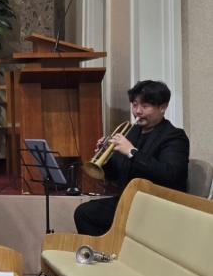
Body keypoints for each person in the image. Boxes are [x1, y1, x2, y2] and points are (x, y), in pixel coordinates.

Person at [74, 80, 189, 237]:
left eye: (145, 106)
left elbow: (170, 174)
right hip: (129, 201)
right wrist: (105, 158)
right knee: (84, 213)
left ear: (163, 107)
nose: (138, 111)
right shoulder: (133, 132)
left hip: (158, 205)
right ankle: (107, 250)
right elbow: (115, 175)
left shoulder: (174, 136)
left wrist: (132, 152)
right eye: (135, 105)